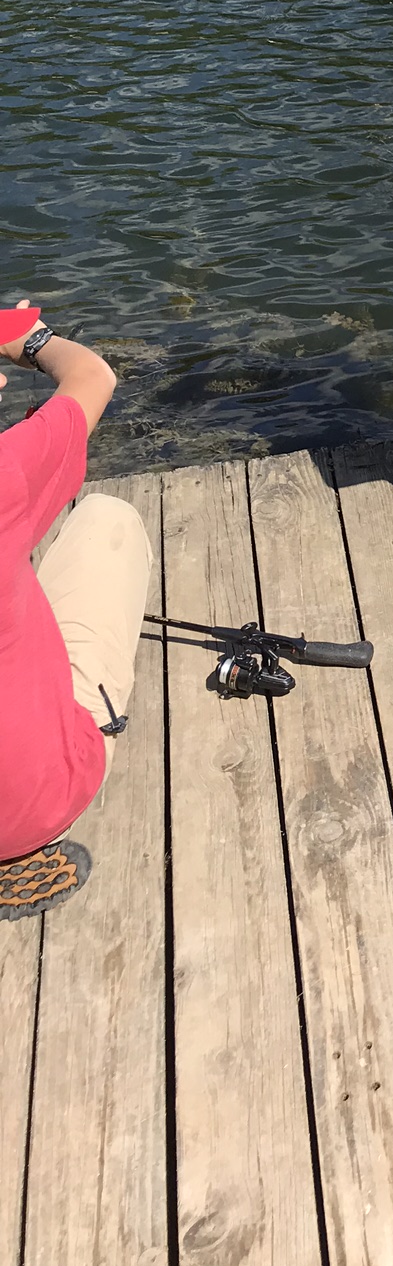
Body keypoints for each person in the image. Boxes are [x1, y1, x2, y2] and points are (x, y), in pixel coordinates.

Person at [0, 303, 150, 914]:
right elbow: (94, 376)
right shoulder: (6, 471)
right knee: (105, 518)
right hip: (34, 810)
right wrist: (26, 337)